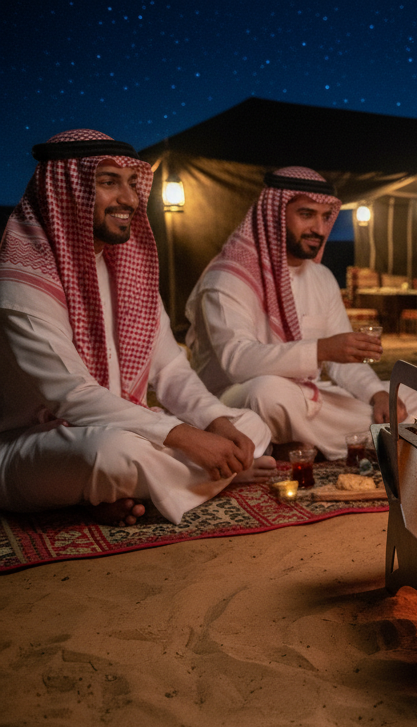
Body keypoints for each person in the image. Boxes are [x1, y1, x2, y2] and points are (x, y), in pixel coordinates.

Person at [0, 130, 273, 526]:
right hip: (33, 445)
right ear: (66, 192)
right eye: (109, 183)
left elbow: (171, 370)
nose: (129, 199)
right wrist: (185, 436)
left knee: (248, 426)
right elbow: (72, 397)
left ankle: (122, 491)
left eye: (132, 183)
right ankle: (213, 478)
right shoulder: (23, 282)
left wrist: (215, 422)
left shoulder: (128, 272)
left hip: (128, 424)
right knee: (110, 452)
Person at [185, 167, 417, 460]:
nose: (320, 229)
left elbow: (343, 363)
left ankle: (300, 446)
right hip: (236, 399)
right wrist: (322, 349)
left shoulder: (321, 277)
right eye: (306, 214)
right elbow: (237, 362)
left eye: (326, 217)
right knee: (269, 392)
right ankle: (351, 442)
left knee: (409, 398)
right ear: (274, 216)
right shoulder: (229, 278)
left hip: (304, 398)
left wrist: (376, 394)